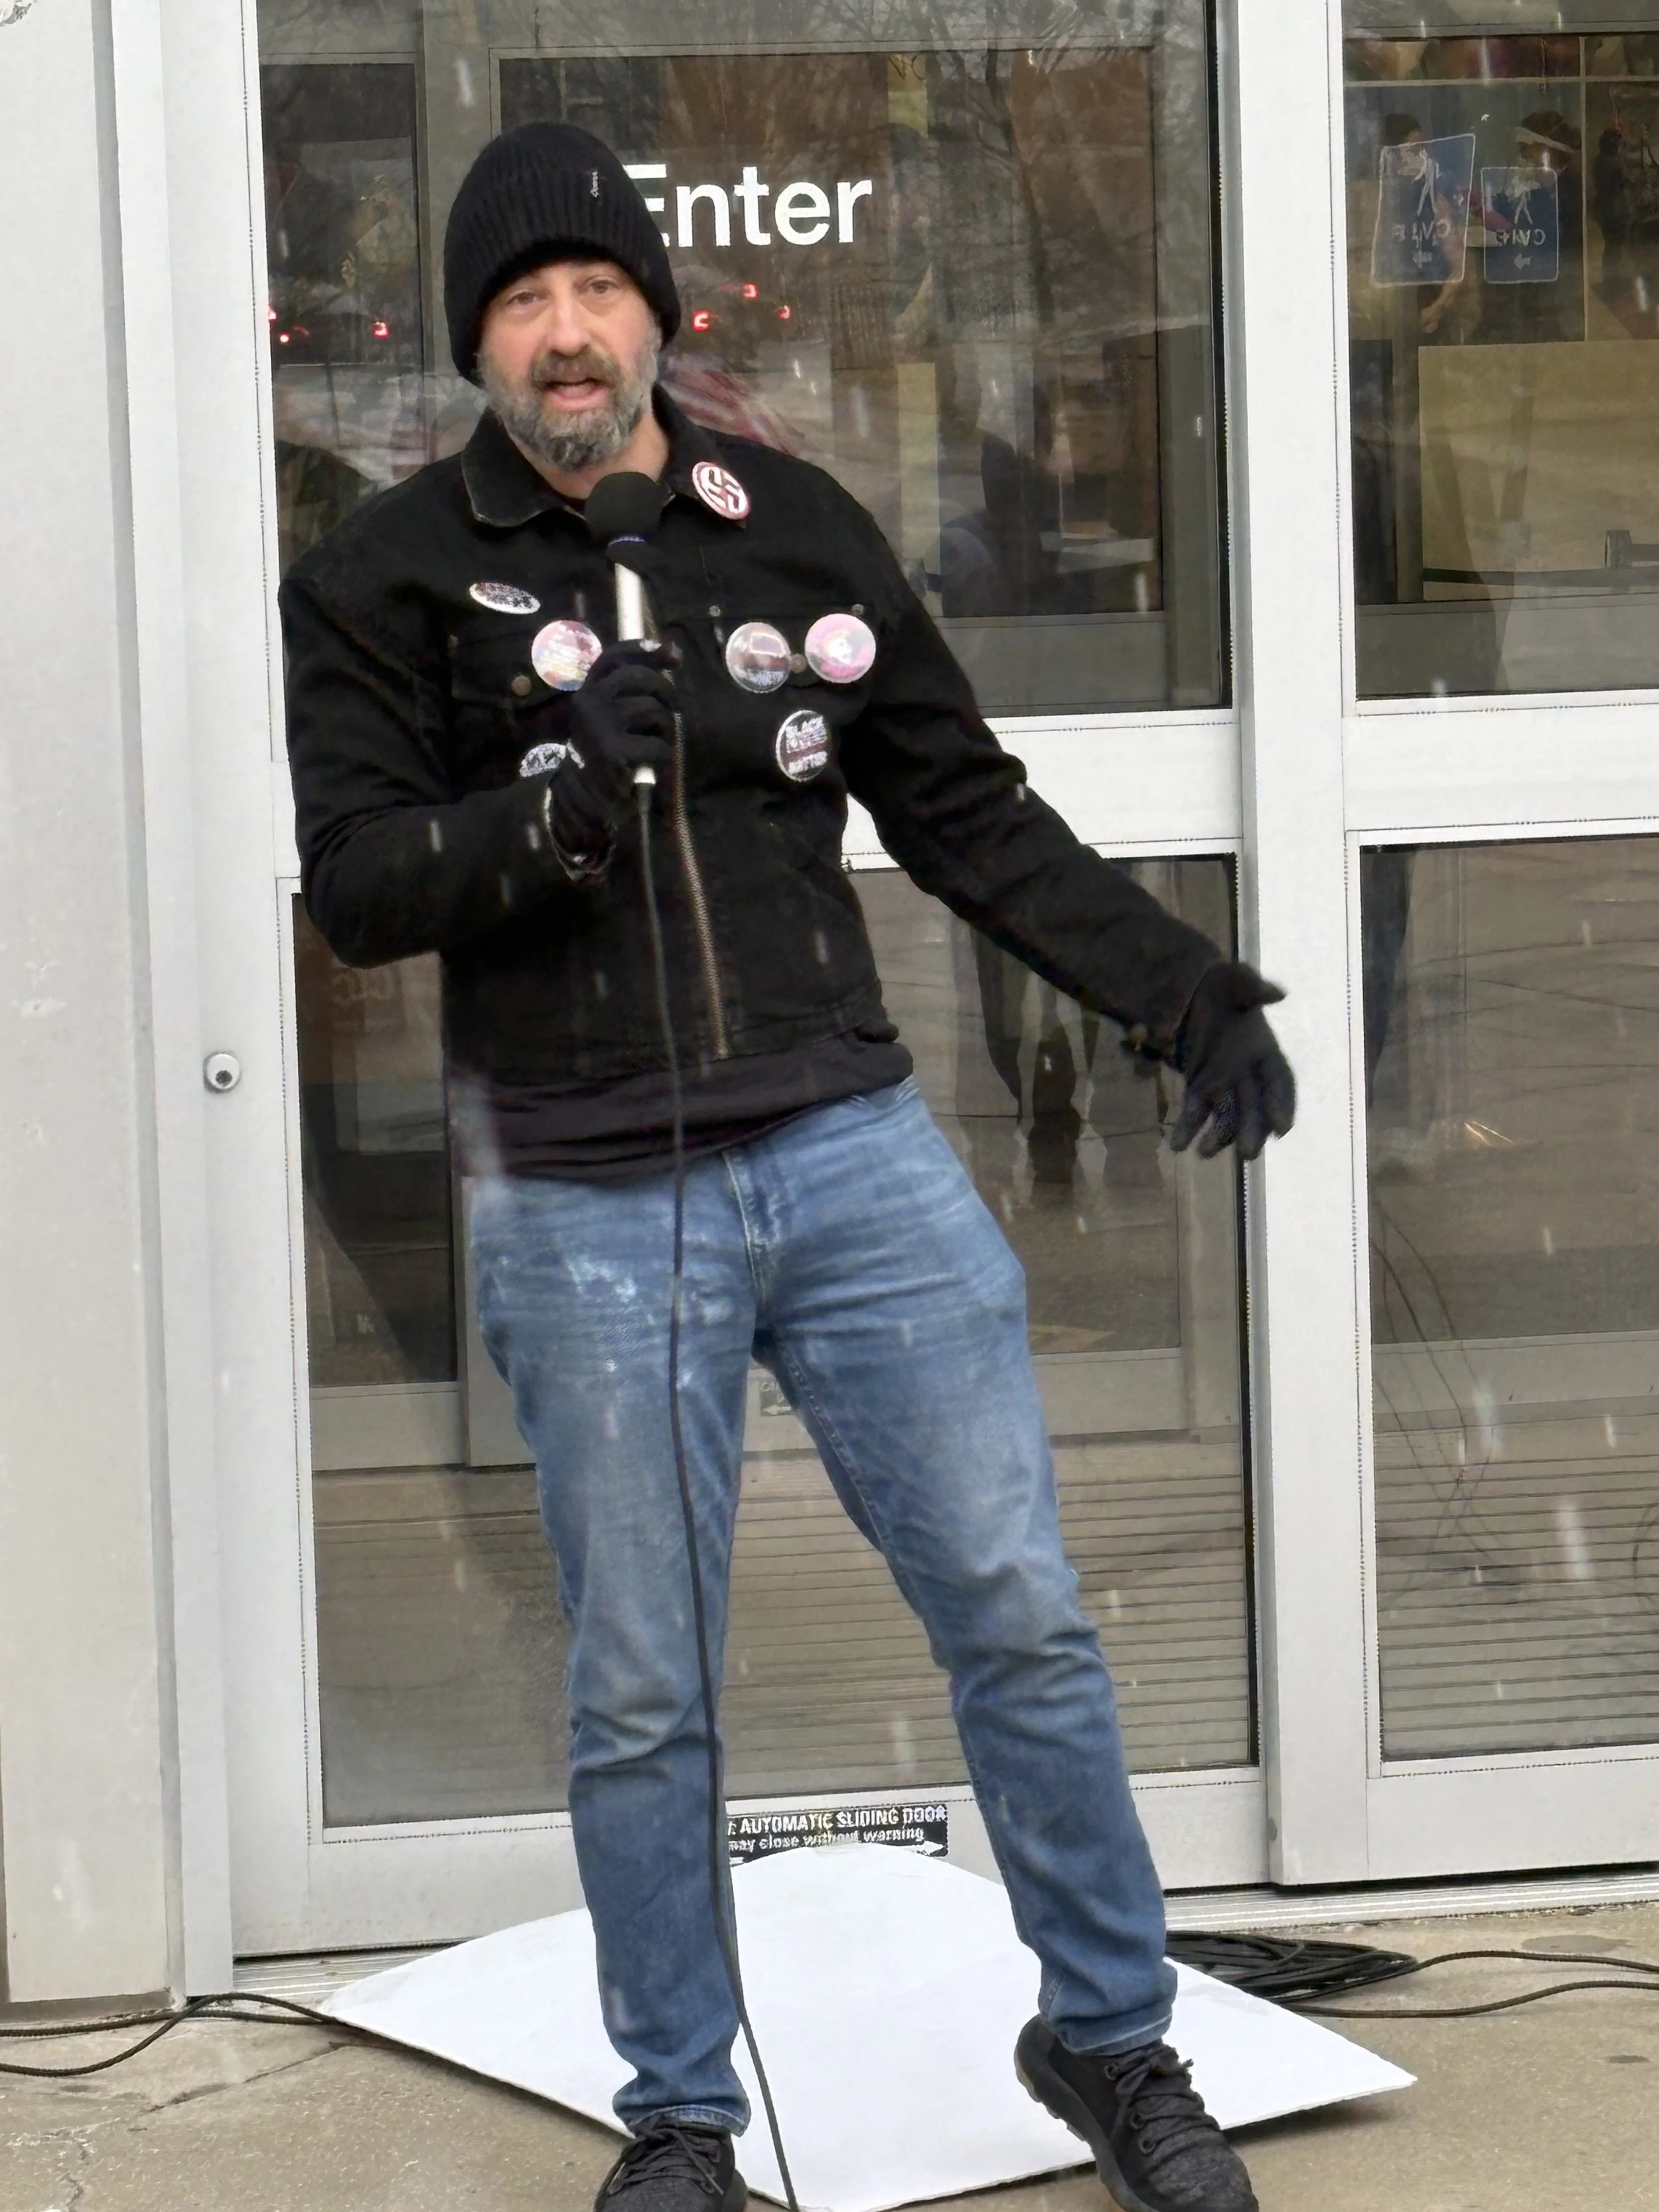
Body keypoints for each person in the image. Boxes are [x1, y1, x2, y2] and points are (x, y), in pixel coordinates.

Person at [282, 122, 1295, 2212]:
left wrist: (1174, 986)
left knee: (1016, 1610)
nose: (568, 334)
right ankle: (679, 2116)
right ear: (476, 341)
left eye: (597, 289)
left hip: (846, 1149)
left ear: (656, 312)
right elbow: (362, 884)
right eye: (523, 302)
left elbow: (964, 810)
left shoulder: (793, 527)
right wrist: (551, 814)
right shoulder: (384, 572)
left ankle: (1109, 2040)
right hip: (583, 1194)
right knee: (646, 1688)